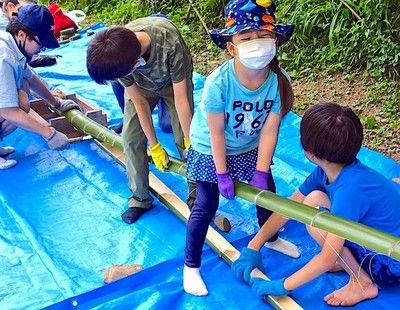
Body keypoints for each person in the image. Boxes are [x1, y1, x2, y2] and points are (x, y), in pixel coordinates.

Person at [183, 0, 300, 296]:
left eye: (263, 36)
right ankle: (191, 265)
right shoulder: (218, 83)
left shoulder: (278, 81)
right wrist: (222, 174)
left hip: (248, 145)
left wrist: (261, 170)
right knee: (206, 204)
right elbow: (216, 133)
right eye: (246, 38)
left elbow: (270, 130)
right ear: (231, 47)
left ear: (276, 41)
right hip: (210, 148)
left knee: (267, 194)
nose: (256, 44)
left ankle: (270, 237)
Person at [232, 102, 400, 306]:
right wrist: (253, 246)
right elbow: (289, 208)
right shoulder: (328, 171)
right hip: (379, 239)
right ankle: (349, 263)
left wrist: (283, 285)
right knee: (312, 200)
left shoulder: (349, 191)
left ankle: (362, 282)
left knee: (315, 222)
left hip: (391, 263)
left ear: (310, 153)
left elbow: (327, 257)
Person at [86, 15, 195, 223]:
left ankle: (197, 194)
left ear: (135, 63)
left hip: (174, 85)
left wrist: (190, 141)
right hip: (142, 88)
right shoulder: (116, 57)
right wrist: (154, 145)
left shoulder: (168, 42)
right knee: (131, 138)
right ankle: (140, 199)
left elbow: (182, 100)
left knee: (184, 138)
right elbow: (139, 102)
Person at [0, 4, 81, 168]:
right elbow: (7, 111)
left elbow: (31, 77)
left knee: (23, 86)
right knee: (18, 103)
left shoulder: (14, 46)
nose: (41, 49)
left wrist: (56, 103)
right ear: (22, 34)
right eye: (40, 43)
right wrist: (49, 133)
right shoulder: (4, 57)